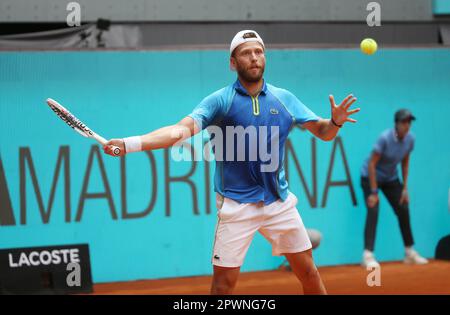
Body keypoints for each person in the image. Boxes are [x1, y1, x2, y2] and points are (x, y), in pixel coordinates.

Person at [103, 30, 360, 295]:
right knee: (223, 287)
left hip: (278, 202)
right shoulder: (220, 101)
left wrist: (336, 121)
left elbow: (325, 132)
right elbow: (178, 131)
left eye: (258, 52)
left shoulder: (284, 99)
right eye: (246, 53)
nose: (254, 58)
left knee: (308, 272)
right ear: (233, 63)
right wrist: (129, 143)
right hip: (236, 206)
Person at [360, 109, 428, 268]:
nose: (407, 125)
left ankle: (409, 252)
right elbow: (371, 164)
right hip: (371, 177)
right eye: (404, 122)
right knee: (373, 209)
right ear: (396, 124)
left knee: (403, 208)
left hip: (390, 178)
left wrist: (405, 188)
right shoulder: (385, 138)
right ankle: (368, 255)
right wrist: (374, 192)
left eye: (409, 122)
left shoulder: (410, 139)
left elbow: (404, 162)